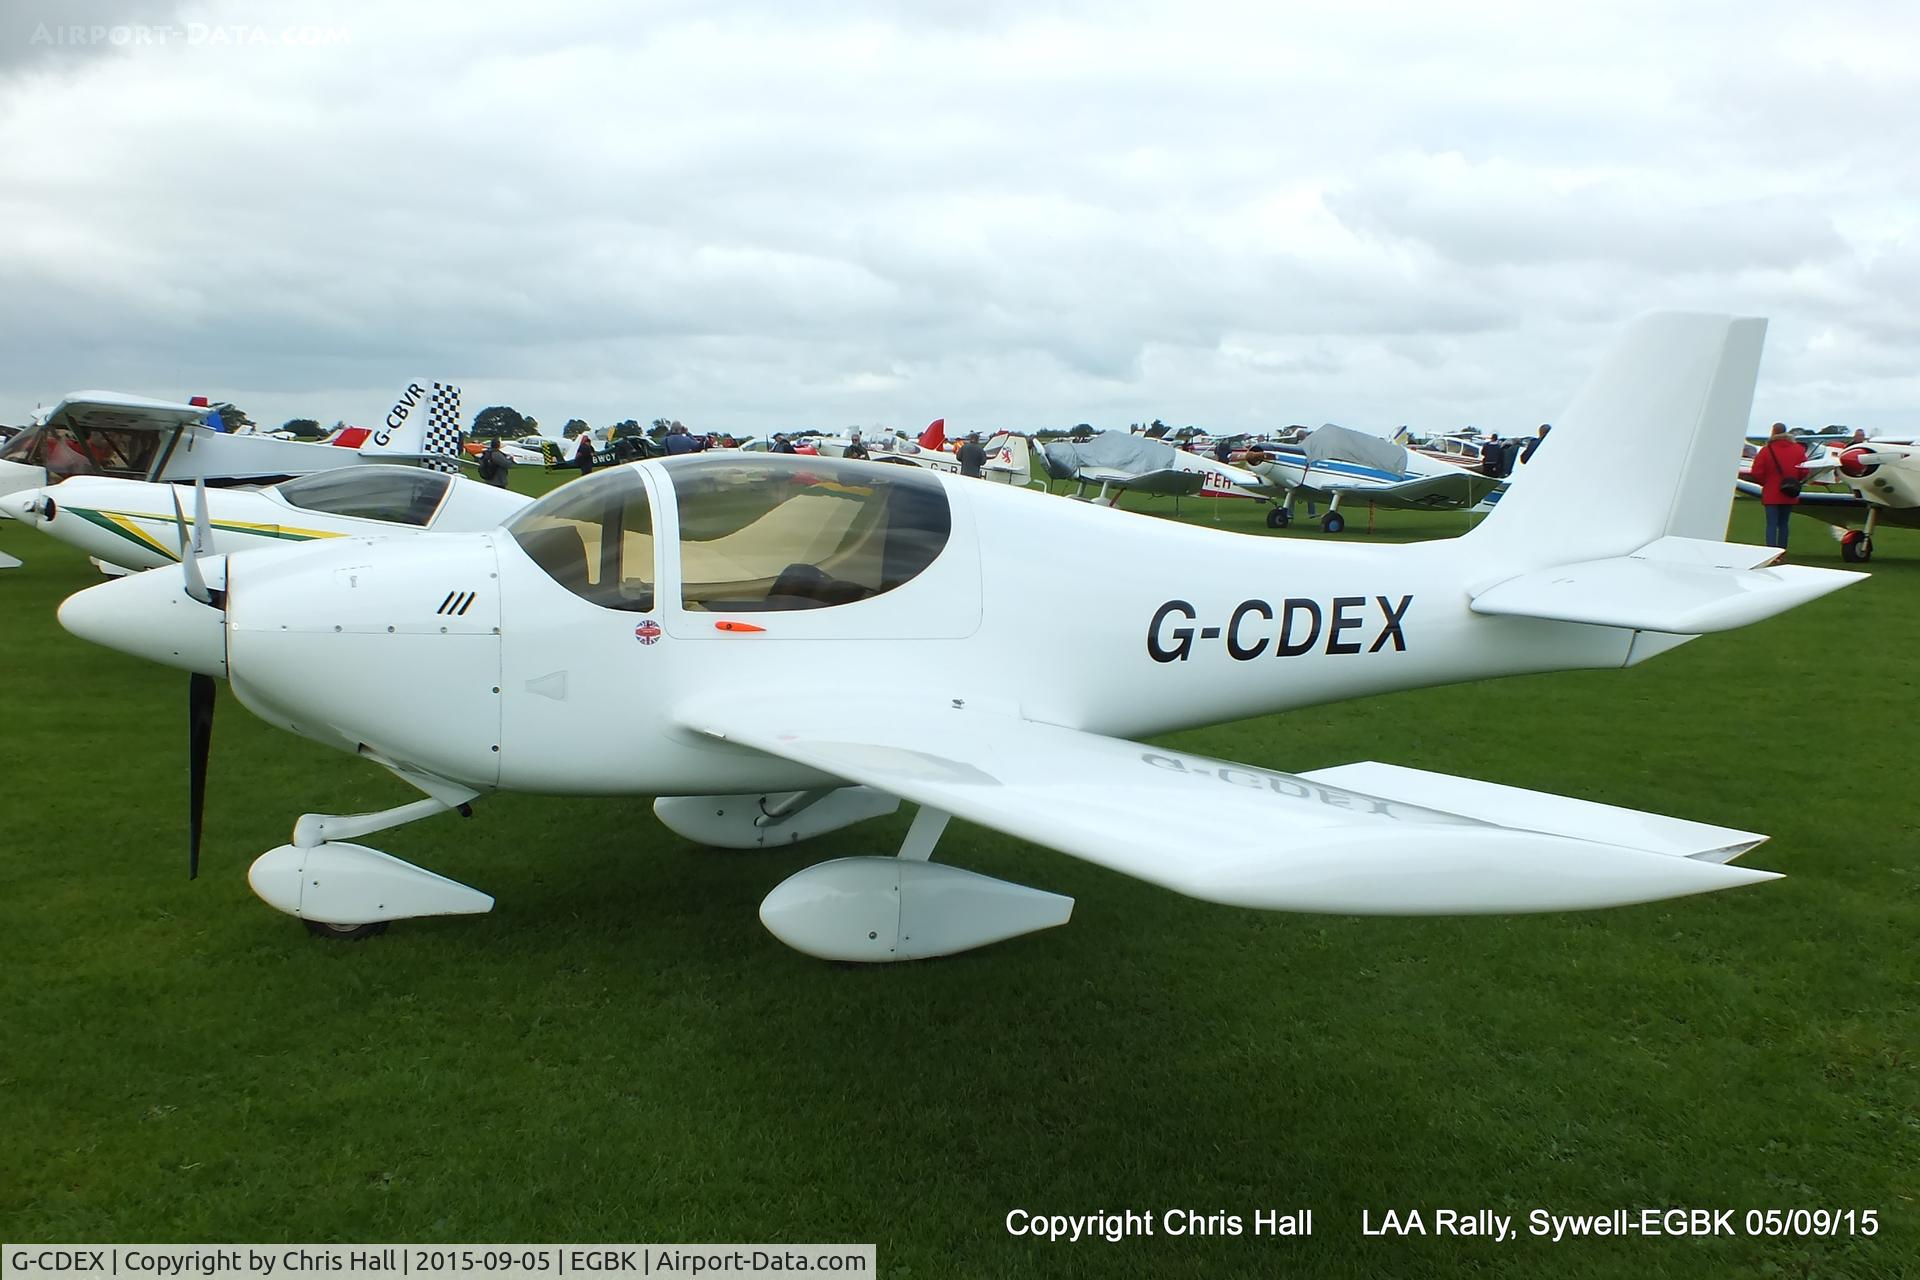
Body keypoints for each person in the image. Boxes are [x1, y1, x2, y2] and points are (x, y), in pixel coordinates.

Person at [1750, 422, 1808, 551]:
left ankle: (1770, 552)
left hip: (1771, 492)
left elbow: (1756, 472)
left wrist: (1766, 482)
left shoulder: (1766, 450)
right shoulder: (1798, 449)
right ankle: (1782, 551)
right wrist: (1795, 480)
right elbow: (1804, 470)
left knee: (1771, 524)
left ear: (1773, 432)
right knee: (1783, 524)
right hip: (1789, 492)